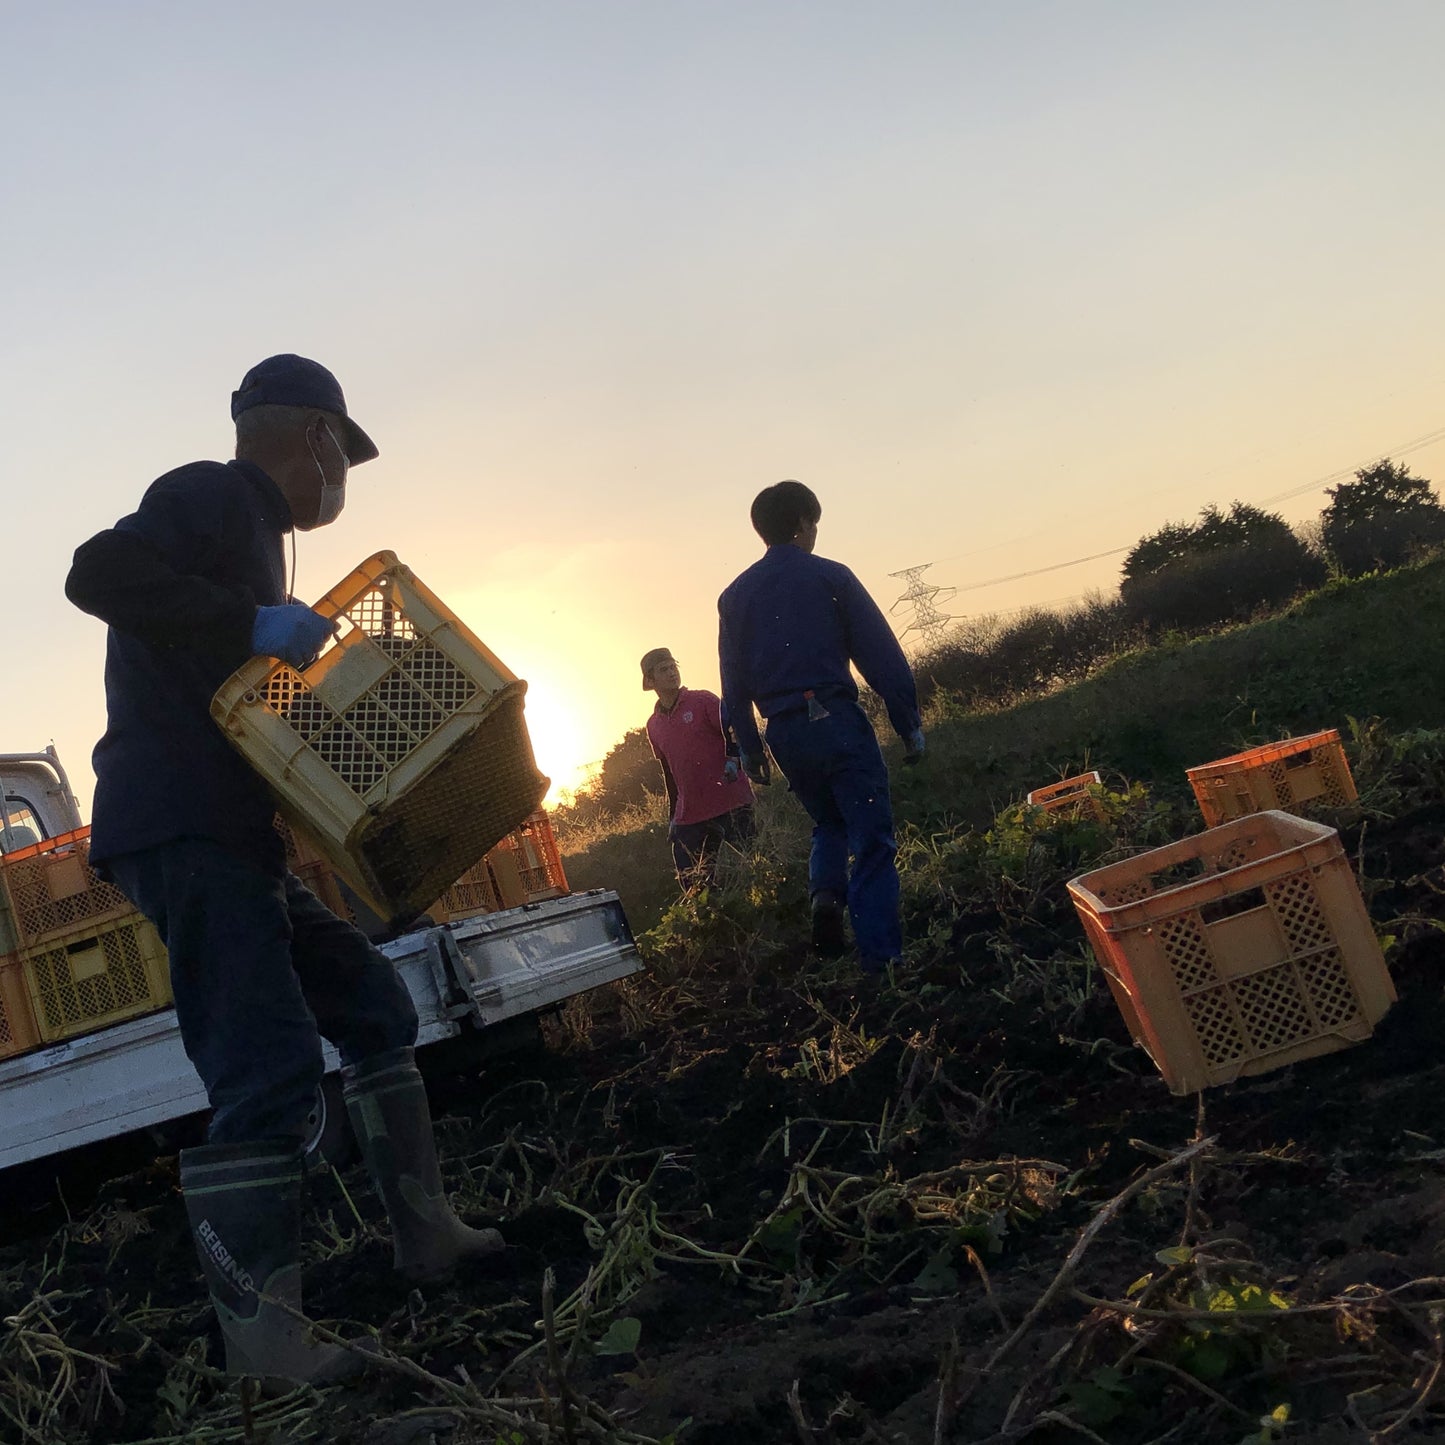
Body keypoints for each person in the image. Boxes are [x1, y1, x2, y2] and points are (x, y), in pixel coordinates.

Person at [64, 354, 501, 1388]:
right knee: (263, 1066)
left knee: (370, 999)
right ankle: (266, 1350)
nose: (337, 478)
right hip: (180, 823)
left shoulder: (262, 538)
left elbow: (244, 701)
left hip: (232, 826)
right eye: (339, 453)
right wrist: (247, 622)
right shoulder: (211, 493)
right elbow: (95, 571)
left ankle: (426, 1233)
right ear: (313, 435)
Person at [717, 480, 924, 974]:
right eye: (815, 525)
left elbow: (733, 679)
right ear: (805, 524)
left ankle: (826, 898)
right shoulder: (830, 576)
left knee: (829, 822)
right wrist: (907, 720)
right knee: (871, 836)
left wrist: (749, 749)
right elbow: (880, 654)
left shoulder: (734, 596)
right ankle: (882, 959)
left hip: (784, 732)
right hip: (834, 719)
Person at [640, 647, 756, 886]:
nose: (672, 673)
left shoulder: (703, 701)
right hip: (691, 812)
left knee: (757, 863)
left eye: (674, 667)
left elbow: (734, 731)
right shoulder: (654, 725)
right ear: (650, 681)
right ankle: (709, 920)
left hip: (729, 800)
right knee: (692, 882)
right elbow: (669, 773)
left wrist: (735, 760)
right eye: (664, 670)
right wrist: (673, 815)